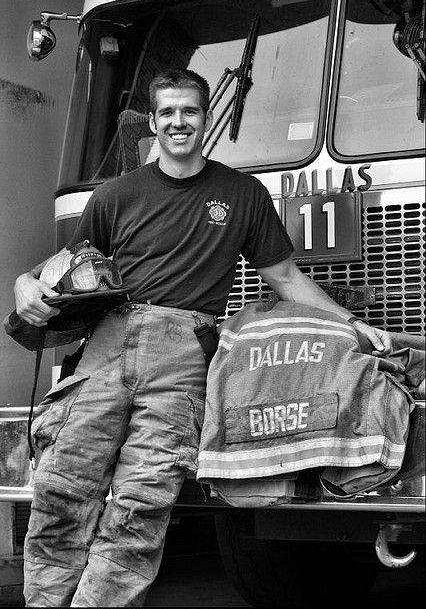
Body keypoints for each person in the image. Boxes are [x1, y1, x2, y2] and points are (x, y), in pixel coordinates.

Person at [14, 68, 392, 607]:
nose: (178, 122)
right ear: (152, 121)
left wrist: (349, 326)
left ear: (206, 118)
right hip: (105, 349)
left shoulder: (242, 193)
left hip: (183, 357)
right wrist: (22, 282)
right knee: (60, 493)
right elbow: (62, 269)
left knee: (140, 508)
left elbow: (285, 278)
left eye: (189, 111)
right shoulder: (114, 195)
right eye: (167, 112)